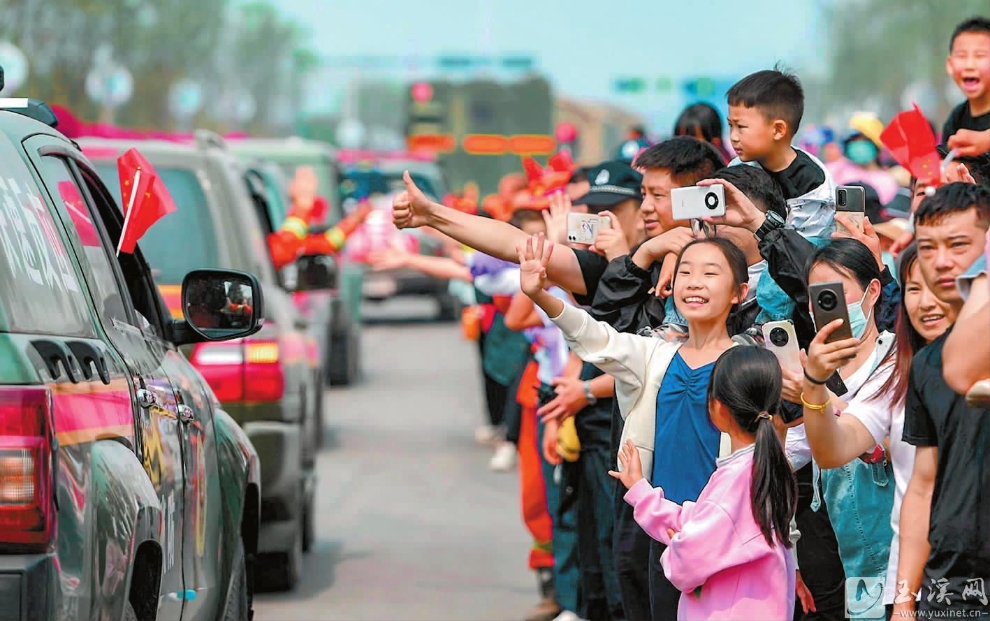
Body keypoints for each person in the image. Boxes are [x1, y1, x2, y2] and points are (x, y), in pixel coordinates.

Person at [519, 233, 753, 619]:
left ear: (738, 292)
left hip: (725, 533)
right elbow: (597, 339)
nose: (694, 282)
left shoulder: (750, 364)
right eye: (685, 272)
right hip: (660, 529)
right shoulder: (653, 355)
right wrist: (542, 295)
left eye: (710, 273)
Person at [800, 242, 955, 617]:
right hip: (881, 576)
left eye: (938, 287)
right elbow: (834, 450)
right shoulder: (897, 374)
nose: (925, 302)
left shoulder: (895, 364)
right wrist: (813, 385)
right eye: (914, 289)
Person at [610, 346, 798, 621]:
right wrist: (640, 491)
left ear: (717, 406)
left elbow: (687, 560)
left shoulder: (736, 480)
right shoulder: (767, 468)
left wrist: (677, 547)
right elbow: (698, 521)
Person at [894, 182, 990, 619]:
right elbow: (923, 484)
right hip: (952, 584)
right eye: (927, 247)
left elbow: (962, 369)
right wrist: (904, 598)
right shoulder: (927, 362)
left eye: (958, 245)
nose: (941, 262)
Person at [726, 66, 837, 327]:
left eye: (741, 127)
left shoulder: (814, 185)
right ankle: (677, 326)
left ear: (778, 130)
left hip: (793, 269)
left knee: (776, 271)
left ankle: (765, 328)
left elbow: (799, 253)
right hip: (751, 264)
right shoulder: (738, 168)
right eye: (730, 125)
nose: (733, 137)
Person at [942, 16, 990, 157]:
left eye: (980, 56)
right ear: (950, 65)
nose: (969, 65)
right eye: (962, 56)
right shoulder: (956, 119)